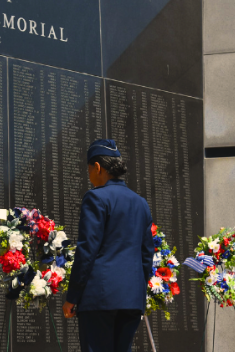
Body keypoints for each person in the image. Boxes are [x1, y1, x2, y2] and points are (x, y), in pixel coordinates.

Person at [63, 139, 154, 352]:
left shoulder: (96, 198)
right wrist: (137, 290)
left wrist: (72, 297)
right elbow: (147, 254)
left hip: (99, 298)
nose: (89, 176)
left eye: (89, 170)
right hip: (131, 299)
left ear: (97, 167)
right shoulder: (140, 202)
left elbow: (87, 251)